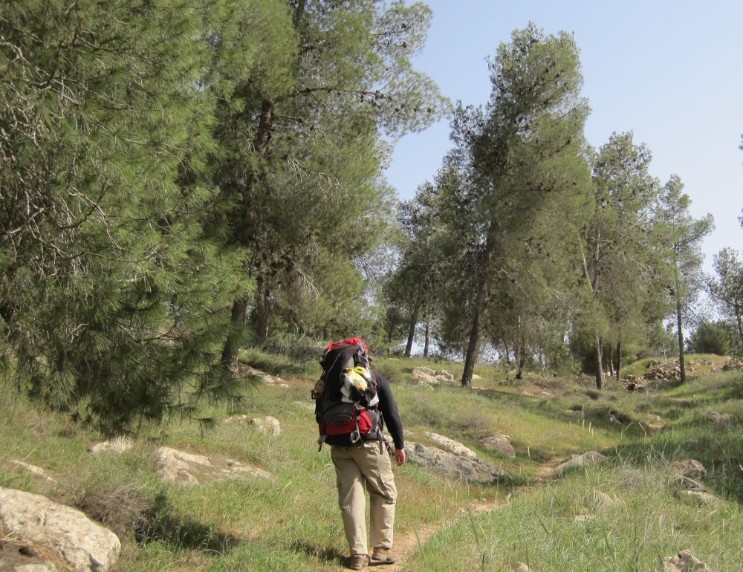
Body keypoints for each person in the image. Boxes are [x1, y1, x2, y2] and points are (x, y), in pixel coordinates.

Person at [323, 359, 406, 570]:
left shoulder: (330, 378)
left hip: (339, 445)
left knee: (351, 499)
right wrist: (399, 445)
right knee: (385, 493)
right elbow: (391, 412)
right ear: (364, 359)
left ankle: (358, 556)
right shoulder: (374, 378)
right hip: (368, 443)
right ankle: (380, 551)